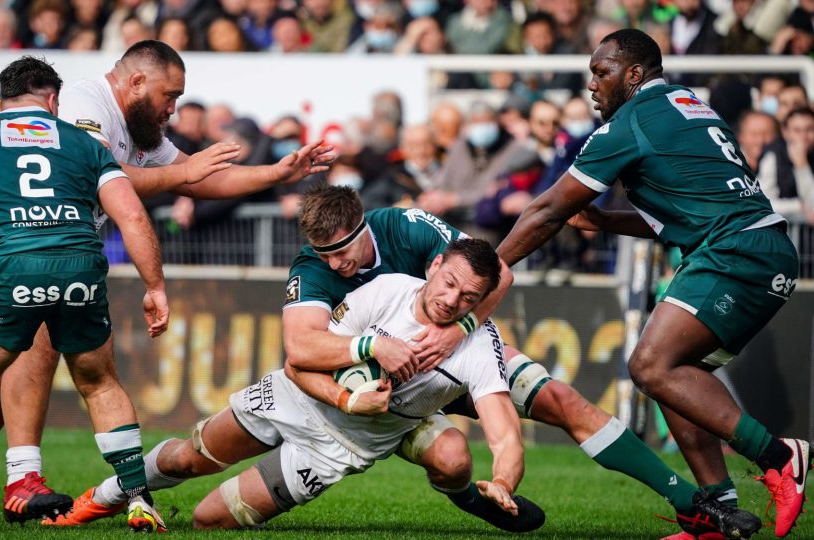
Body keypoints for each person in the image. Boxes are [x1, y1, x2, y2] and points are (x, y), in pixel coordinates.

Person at [52, 184, 760, 536]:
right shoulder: (335, 279)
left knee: (557, 402)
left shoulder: (408, 233)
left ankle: (685, 502)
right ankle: (117, 488)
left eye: (347, 249)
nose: (340, 262)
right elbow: (300, 352)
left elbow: (492, 273)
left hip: (444, 360)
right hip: (346, 386)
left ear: (369, 227)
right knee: (191, 470)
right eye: (328, 256)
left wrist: (459, 328)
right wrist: (368, 355)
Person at [0, 39, 335, 523]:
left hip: (37, 249)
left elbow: (193, 178)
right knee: (36, 332)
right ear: (135, 82)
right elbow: (113, 183)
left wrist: (274, 173)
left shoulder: (138, 128)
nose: (173, 109)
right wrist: (178, 197)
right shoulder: (86, 104)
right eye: (169, 96)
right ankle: (22, 477)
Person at [496, 28, 810, 539]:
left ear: (634, 73)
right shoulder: (691, 106)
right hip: (759, 248)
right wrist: (606, 221)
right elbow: (689, 212)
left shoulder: (631, 121)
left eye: (602, 72)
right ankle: (717, 514)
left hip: (734, 252)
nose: (592, 84)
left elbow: (547, 208)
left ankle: (779, 455)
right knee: (673, 376)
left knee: (649, 363)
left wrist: (483, 274)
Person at [49, 238, 546, 532]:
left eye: (469, 297)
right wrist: (361, 372)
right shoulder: (387, 291)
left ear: (481, 303)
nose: (452, 299)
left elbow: (505, 436)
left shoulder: (480, 346)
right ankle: (109, 493)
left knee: (206, 521)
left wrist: (503, 482)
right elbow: (298, 365)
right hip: (295, 398)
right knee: (187, 458)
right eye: (450, 282)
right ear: (434, 267)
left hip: (340, 447)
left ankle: (476, 503)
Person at [0, 56, 170, 532]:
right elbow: (131, 215)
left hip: (9, 264)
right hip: (81, 267)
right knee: (101, 382)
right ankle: (139, 499)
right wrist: (155, 287)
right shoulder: (83, 141)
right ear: (53, 102)